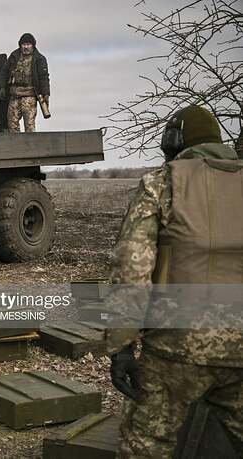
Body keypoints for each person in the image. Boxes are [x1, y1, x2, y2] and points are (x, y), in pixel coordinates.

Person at [104, 105, 243, 457]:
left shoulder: (162, 183)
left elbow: (131, 270)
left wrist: (120, 348)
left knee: (146, 444)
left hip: (176, 346)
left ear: (174, 141)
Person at [0, 32, 50, 132]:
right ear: (20, 45)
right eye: (23, 44)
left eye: (28, 44)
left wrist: (46, 93)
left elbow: (44, 77)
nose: (26, 47)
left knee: (29, 125)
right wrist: (2, 87)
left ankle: (30, 146)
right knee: (12, 124)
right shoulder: (14, 56)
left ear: (33, 45)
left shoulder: (39, 59)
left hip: (29, 96)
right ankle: (14, 146)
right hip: (14, 95)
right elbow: (4, 72)